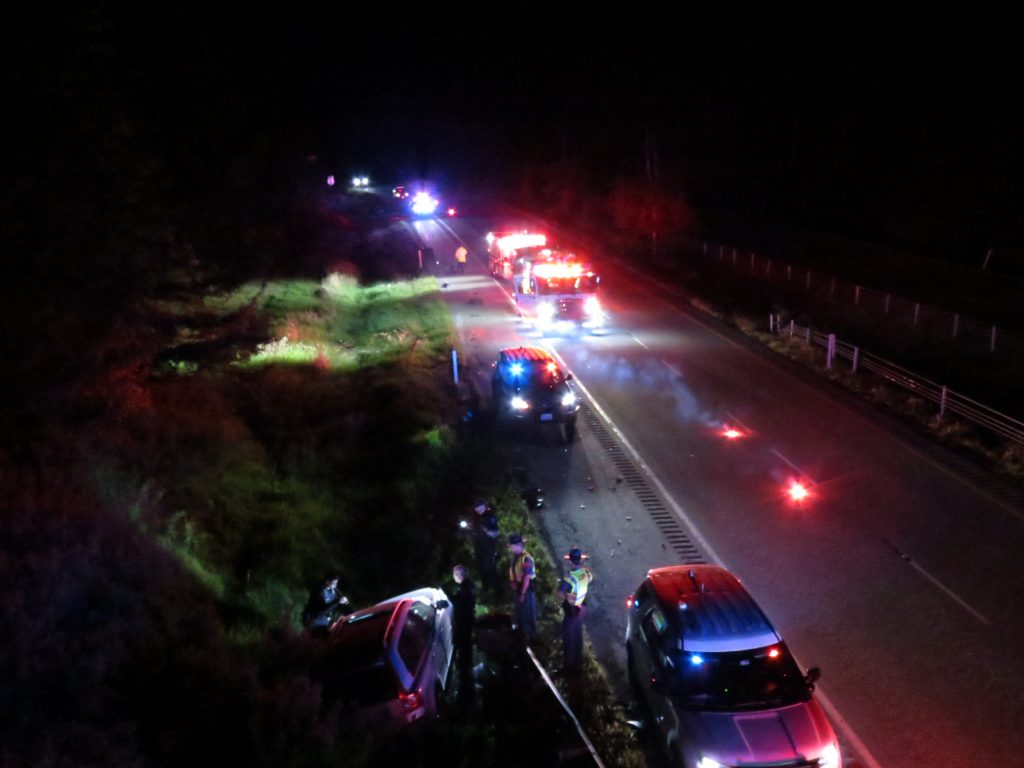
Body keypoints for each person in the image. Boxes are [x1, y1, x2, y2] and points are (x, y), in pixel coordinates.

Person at [557, 547, 593, 675]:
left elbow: (559, 593)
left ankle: (568, 668)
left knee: (568, 639)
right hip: (582, 609)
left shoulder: (570, 579)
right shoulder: (587, 574)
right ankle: (579, 665)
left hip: (572, 613)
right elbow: (589, 578)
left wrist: (567, 596)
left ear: (571, 562)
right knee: (578, 637)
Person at [507, 533, 537, 639]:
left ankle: (531, 636)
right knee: (521, 611)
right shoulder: (516, 557)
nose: (511, 549)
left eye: (512, 546)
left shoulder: (527, 559)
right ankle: (522, 632)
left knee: (528, 612)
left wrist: (522, 593)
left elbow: (526, 578)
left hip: (526, 590)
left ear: (518, 546)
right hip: (519, 588)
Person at [451, 565, 477, 666]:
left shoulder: (465, 587)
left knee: (464, 645)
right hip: (468, 618)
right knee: (466, 644)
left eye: (454, 574)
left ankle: (465, 667)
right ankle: (466, 664)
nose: (453, 576)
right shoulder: (469, 585)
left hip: (464, 620)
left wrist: (447, 593)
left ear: (459, 574)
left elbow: (459, 602)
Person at [472, 499, 500, 591]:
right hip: (478, 546)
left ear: (484, 506)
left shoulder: (491, 516)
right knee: (480, 567)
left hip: (488, 547)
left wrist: (486, 531)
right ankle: (485, 586)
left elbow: (495, 533)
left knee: (489, 567)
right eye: (476, 508)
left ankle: (496, 587)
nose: (478, 509)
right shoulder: (476, 517)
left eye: (479, 507)